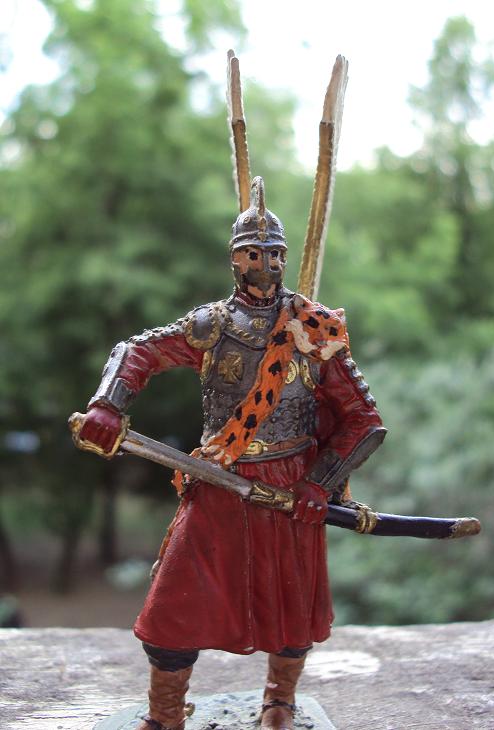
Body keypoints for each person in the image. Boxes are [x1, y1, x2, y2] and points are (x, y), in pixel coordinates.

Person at [79, 176, 385, 730]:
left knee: (291, 609)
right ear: (235, 260)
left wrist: (319, 483)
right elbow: (137, 351)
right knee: (172, 608)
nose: (266, 264)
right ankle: (165, 713)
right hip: (219, 476)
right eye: (253, 253)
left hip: (292, 487)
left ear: (285, 258)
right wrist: (108, 405)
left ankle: (280, 701)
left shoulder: (314, 330)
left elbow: (364, 422)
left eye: (274, 253)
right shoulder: (212, 325)